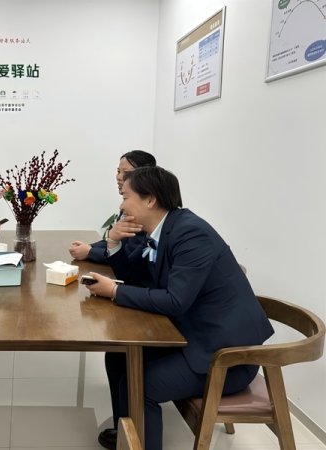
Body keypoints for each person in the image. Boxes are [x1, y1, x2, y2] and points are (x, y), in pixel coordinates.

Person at [84, 166, 274, 450]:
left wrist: (115, 291)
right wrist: (112, 242)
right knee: (118, 356)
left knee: (141, 386)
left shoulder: (191, 234)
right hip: (192, 334)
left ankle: (139, 442)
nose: (121, 206)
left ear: (150, 200)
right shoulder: (162, 228)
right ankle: (126, 436)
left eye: (126, 197)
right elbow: (136, 276)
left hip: (224, 356)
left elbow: (175, 301)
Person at [68, 150, 156, 264]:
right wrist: (88, 247)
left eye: (126, 172)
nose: (119, 177)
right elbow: (118, 241)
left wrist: (90, 252)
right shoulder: (128, 205)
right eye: (118, 171)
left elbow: (129, 256)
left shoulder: (144, 211)